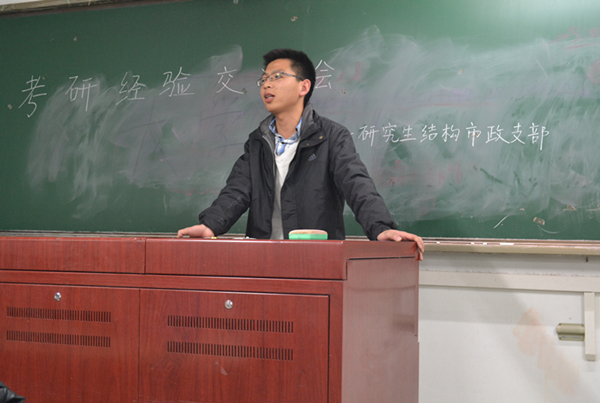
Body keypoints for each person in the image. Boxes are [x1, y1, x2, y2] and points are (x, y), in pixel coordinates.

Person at [178, 49, 424, 260]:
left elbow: (356, 184)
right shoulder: (257, 142)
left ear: (304, 86)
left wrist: (380, 227)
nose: (267, 84)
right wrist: (210, 225)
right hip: (262, 259)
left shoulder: (331, 136)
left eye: (277, 77)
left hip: (314, 260)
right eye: (264, 79)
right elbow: (237, 190)